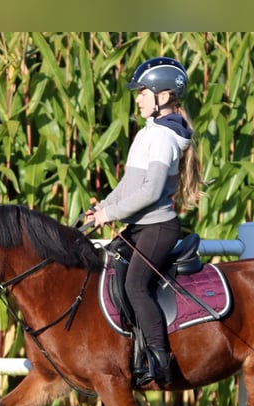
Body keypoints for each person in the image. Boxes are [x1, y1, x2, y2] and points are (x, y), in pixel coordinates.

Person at [85, 56, 202, 386]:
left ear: (162, 97)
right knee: (107, 268)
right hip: (140, 226)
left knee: (136, 286)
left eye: (142, 92)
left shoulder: (163, 138)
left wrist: (110, 215)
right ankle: (127, 349)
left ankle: (159, 360)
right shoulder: (150, 133)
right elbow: (129, 185)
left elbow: (150, 191)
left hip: (157, 227)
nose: (136, 98)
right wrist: (100, 209)